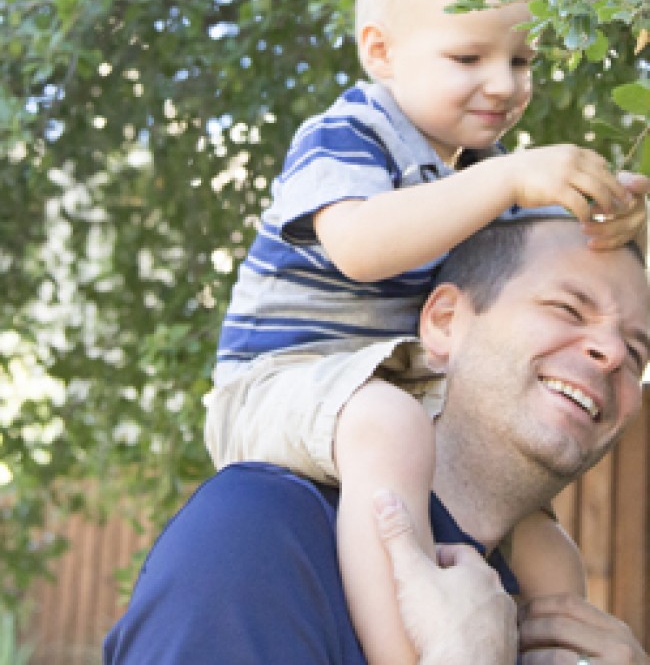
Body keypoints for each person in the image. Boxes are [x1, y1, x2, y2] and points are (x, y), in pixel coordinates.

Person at [204, 0, 648, 665]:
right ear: (381, 51)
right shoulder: (347, 133)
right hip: (280, 382)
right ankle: (403, 648)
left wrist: (608, 201)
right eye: (470, 57)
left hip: (389, 384)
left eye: (522, 60)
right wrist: (512, 178)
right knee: (388, 424)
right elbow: (361, 247)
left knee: (547, 550)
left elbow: (537, 243)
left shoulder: (479, 170)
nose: (504, 84)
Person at [105, 215, 650, 664]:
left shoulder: (547, 610)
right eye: (568, 309)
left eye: (638, 352)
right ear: (443, 323)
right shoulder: (260, 536)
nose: (612, 353)